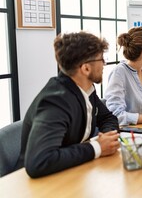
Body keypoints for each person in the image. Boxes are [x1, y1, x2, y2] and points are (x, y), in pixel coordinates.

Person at [16, 32, 120, 178]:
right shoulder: (55, 101)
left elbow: (108, 118)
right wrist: (97, 147)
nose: (104, 64)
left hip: (72, 171)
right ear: (85, 69)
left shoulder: (86, 89)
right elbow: (39, 162)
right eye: (101, 59)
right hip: (37, 183)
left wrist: (108, 136)